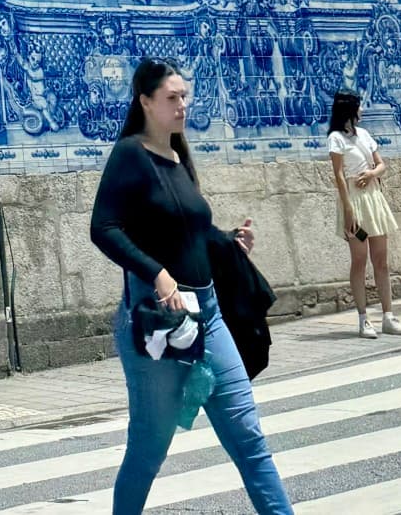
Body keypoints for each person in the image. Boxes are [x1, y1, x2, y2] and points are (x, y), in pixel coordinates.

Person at [90, 60, 295, 515]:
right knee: (149, 448)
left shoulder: (181, 159)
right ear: (145, 102)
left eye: (185, 96)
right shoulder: (130, 154)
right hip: (158, 320)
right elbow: (103, 228)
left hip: (209, 313)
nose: (182, 106)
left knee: (249, 437)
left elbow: (189, 231)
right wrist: (158, 275)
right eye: (172, 98)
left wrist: (229, 243)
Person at [325, 90, 401, 338]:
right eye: (358, 107)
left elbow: (381, 164)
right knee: (359, 260)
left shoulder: (365, 135)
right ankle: (363, 319)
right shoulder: (336, 138)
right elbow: (338, 175)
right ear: (349, 110)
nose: (361, 111)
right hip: (354, 200)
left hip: (373, 197)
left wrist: (372, 173)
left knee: (381, 260)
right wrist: (348, 208)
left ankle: (388, 316)